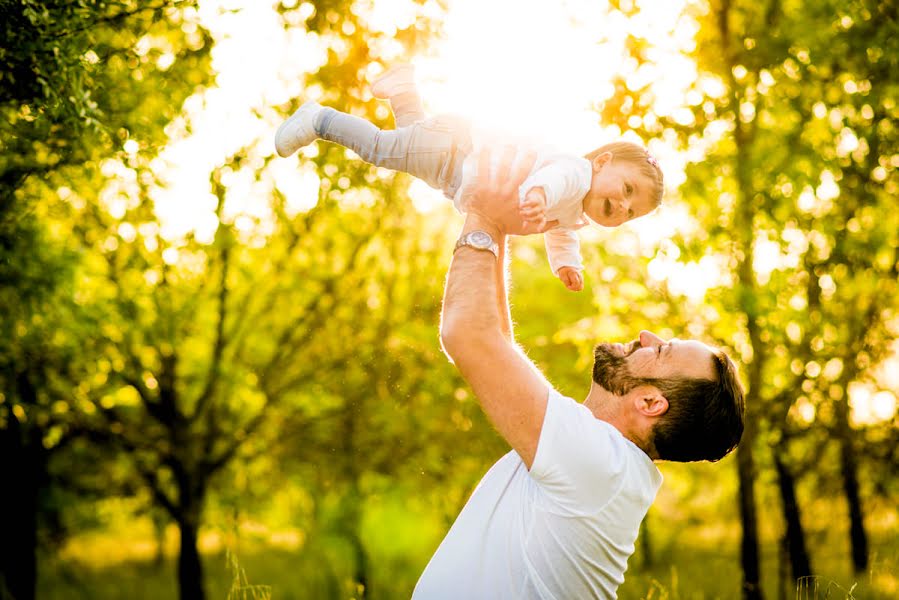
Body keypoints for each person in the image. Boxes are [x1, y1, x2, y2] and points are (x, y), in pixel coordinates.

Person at [411, 147, 745, 599]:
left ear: (650, 403)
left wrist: (482, 213)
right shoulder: (605, 464)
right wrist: (502, 227)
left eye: (661, 349)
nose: (645, 334)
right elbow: (497, 347)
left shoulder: (599, 464)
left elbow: (468, 335)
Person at [274, 65, 664, 292]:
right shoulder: (576, 173)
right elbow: (555, 179)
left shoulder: (574, 212)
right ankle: (320, 119)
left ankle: (402, 89)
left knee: (410, 144)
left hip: (453, 162)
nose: (623, 206)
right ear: (602, 161)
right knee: (382, 149)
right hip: (457, 152)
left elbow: (562, 234)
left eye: (631, 213)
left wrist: (566, 264)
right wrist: (539, 194)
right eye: (628, 189)